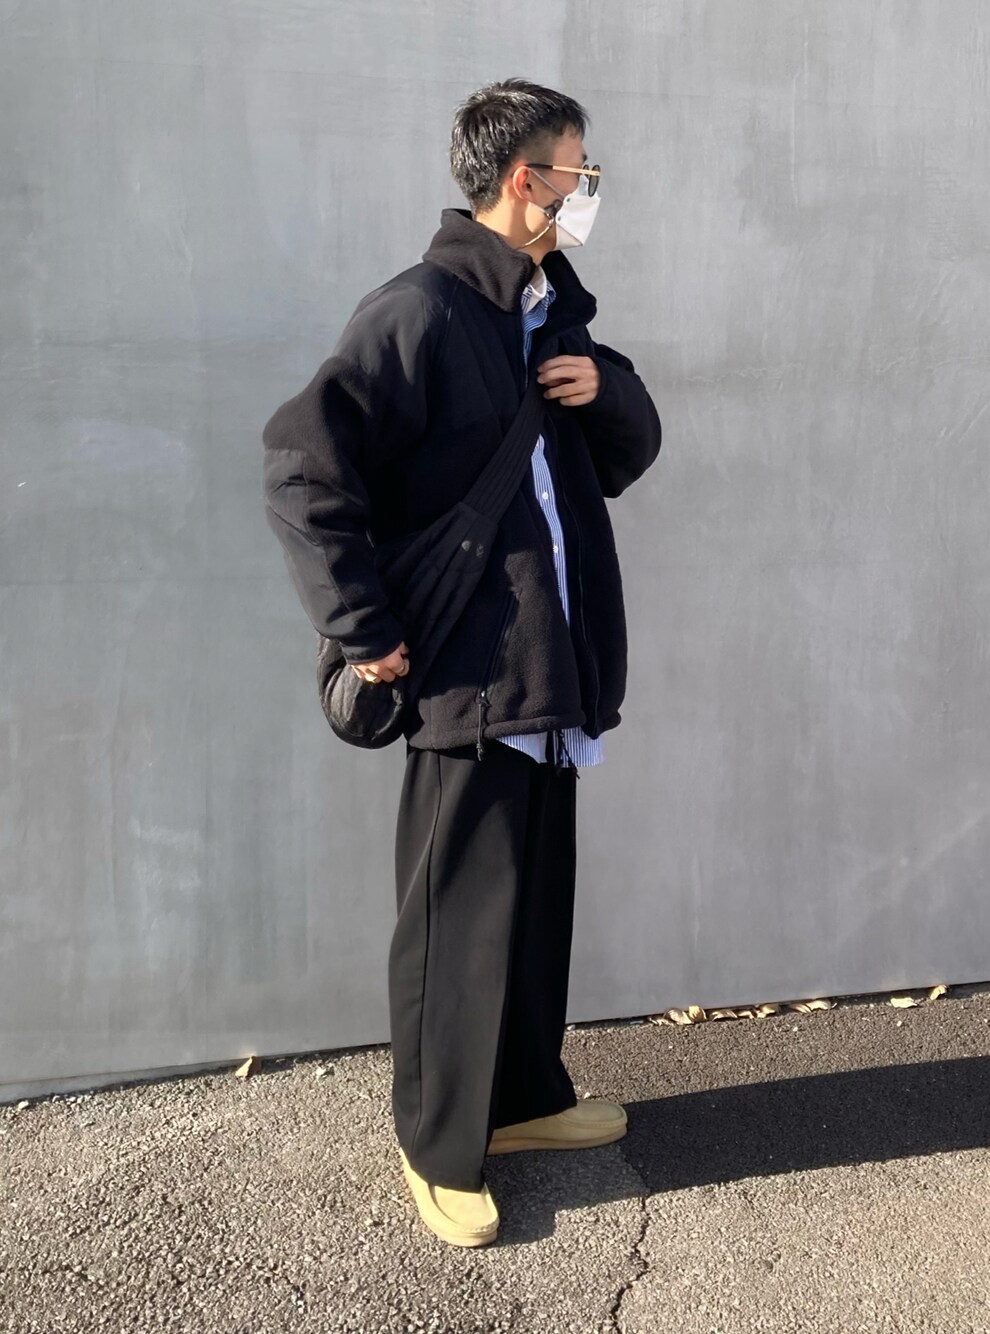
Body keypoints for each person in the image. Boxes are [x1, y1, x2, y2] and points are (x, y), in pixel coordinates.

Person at [262, 78, 661, 1247]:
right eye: (579, 168)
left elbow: (624, 454)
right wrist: (359, 623)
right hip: (466, 678)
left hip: (549, 668)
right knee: (454, 922)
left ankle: (523, 1097)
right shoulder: (422, 312)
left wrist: (606, 389)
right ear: (525, 179)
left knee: (530, 905)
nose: (590, 186)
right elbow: (300, 468)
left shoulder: (548, 311)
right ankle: (438, 1143)